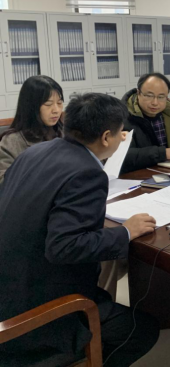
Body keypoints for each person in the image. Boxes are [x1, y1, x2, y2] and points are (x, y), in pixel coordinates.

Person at [0, 93, 159, 366]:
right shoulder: (87, 172)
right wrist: (125, 232)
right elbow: (64, 247)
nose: (122, 139)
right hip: (33, 310)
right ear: (106, 137)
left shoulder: (34, 153)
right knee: (140, 331)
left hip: (9, 282)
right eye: (120, 133)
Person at [121, 72, 170, 173]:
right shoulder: (123, 118)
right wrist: (163, 153)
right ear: (138, 93)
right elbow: (124, 156)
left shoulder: (168, 114)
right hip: (139, 175)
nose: (155, 103)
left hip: (169, 170)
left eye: (161, 97)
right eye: (149, 96)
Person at [0, 75, 64, 185]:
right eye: (48, 104)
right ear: (31, 107)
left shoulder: (65, 133)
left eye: (59, 103)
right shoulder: (12, 142)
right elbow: (4, 184)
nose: (56, 110)